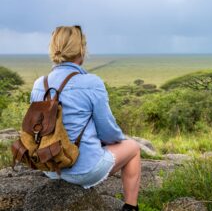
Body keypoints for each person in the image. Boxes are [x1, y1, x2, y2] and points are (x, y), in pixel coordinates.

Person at [30, 25, 141, 211]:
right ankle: (131, 207)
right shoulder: (92, 83)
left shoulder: (39, 84)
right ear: (82, 50)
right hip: (83, 171)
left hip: (50, 167)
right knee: (133, 148)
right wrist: (115, 141)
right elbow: (108, 132)